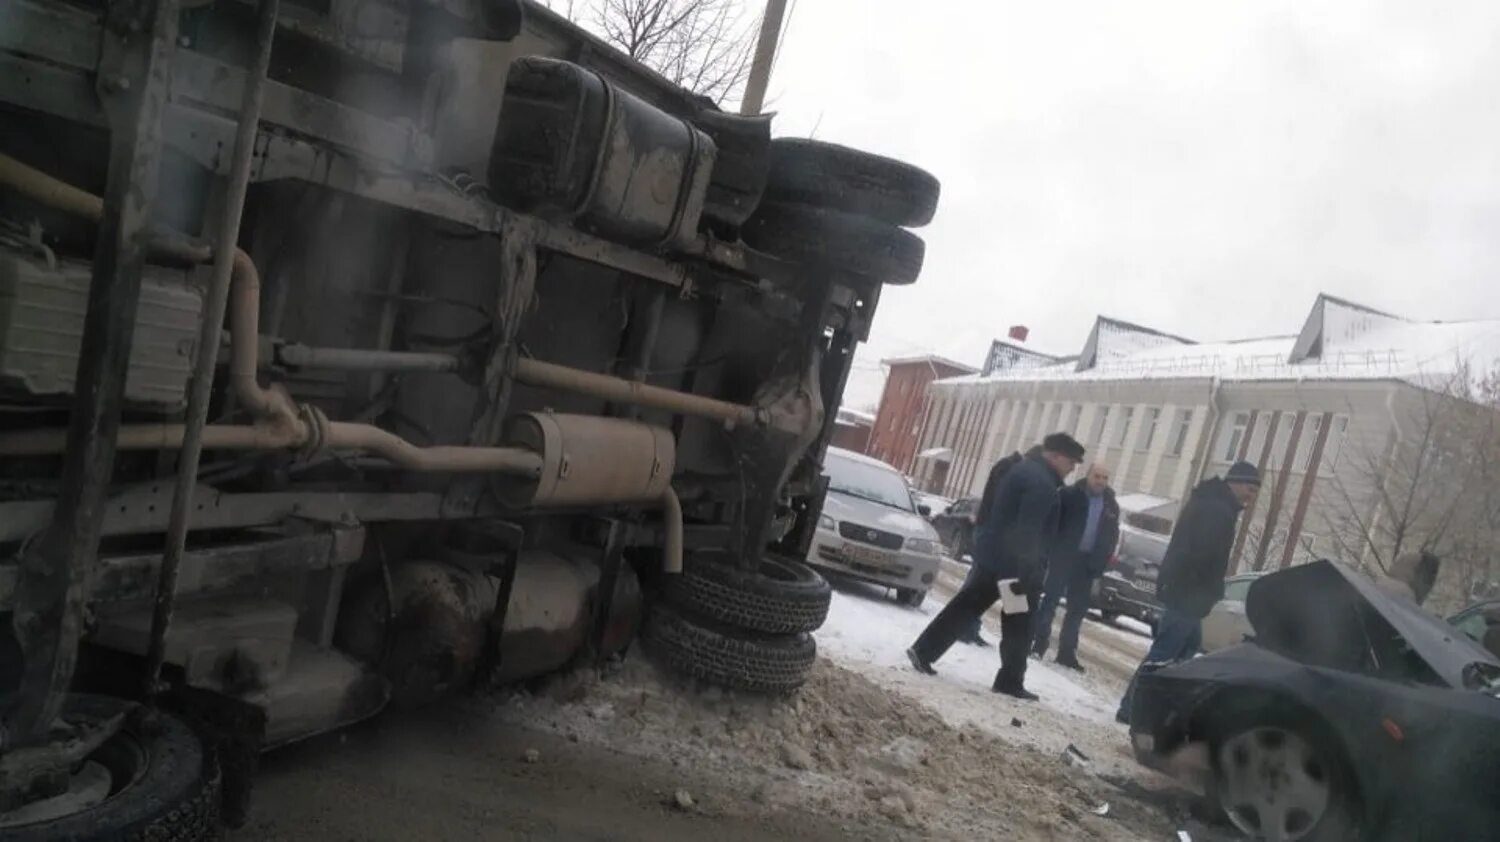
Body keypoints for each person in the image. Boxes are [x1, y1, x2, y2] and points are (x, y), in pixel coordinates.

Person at [907, 433, 1084, 701]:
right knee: (1019, 624)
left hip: (996, 561)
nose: (1072, 469)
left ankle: (924, 651)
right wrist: (1027, 573)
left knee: (968, 607)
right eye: (1071, 462)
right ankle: (1009, 681)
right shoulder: (1041, 484)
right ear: (1056, 456)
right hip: (1014, 570)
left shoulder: (1025, 471)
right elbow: (1028, 532)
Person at [1115, 460, 1260, 724]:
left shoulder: (1214, 505)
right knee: (1165, 654)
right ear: (1235, 483)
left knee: (1186, 651)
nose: (1252, 495)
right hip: (1188, 595)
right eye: (1250, 488)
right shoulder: (1217, 511)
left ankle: (1152, 707)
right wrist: (1205, 591)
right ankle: (1133, 708)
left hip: (1187, 593)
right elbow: (1203, 557)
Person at [1031, 462, 1119, 671]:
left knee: (1076, 611)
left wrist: (1102, 561)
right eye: (1097, 476)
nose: (1101, 481)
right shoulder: (1069, 495)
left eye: (1105, 478)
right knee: (1050, 602)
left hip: (1088, 564)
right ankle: (1037, 645)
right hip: (1063, 558)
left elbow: (1111, 536)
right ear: (1087, 476)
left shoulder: (1110, 505)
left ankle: (1066, 653)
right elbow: (1052, 523)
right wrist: (1050, 549)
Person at [959, 448, 1027, 647]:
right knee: (978, 581)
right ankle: (964, 627)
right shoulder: (1008, 469)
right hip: (990, 532)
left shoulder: (1008, 467)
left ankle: (969, 627)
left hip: (991, 531)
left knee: (981, 581)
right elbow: (1001, 503)